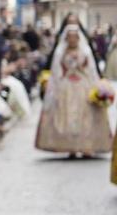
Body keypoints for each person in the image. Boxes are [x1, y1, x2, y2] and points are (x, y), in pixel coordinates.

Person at [35, 25, 114, 156]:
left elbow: (91, 71)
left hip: (83, 86)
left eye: (74, 37)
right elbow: (56, 72)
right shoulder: (61, 52)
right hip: (66, 86)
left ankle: (86, 146)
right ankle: (70, 146)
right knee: (67, 115)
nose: (72, 40)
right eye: (70, 37)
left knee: (86, 116)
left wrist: (96, 88)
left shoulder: (85, 52)